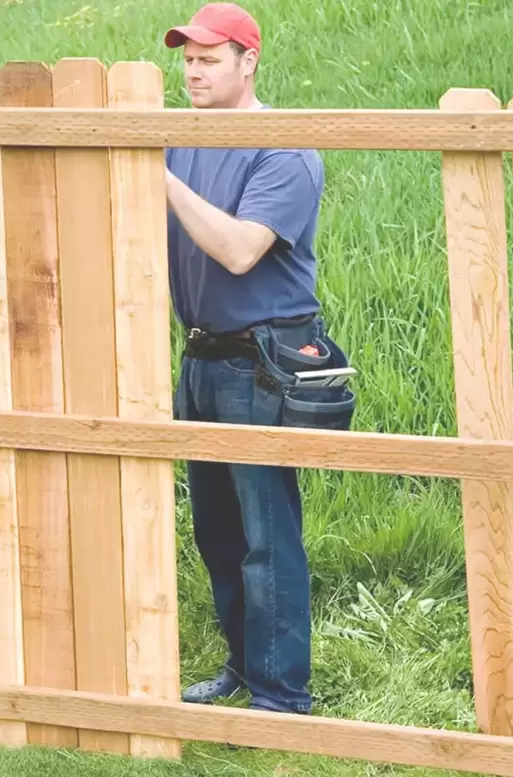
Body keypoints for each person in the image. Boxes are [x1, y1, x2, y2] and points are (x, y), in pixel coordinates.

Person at [162, 2, 343, 716]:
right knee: (216, 530)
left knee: (267, 534)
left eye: (209, 59)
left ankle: (282, 695)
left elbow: (239, 251)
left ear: (248, 61)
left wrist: (160, 178)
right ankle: (244, 664)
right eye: (187, 59)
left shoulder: (285, 150)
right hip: (204, 357)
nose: (193, 71)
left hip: (263, 359)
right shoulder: (180, 142)